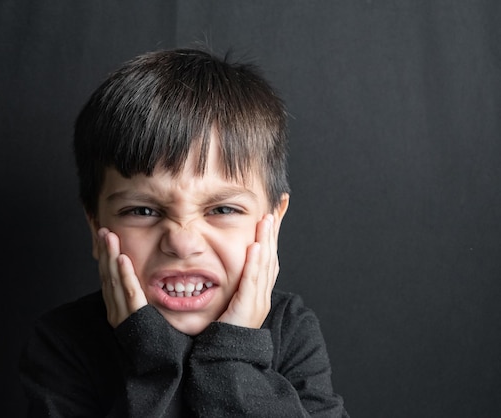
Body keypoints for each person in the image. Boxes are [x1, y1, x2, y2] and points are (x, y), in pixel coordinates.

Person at [20, 48, 348, 417]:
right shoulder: (64, 342)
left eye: (223, 209)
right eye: (143, 211)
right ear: (97, 225)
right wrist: (151, 356)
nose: (182, 241)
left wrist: (232, 357)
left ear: (272, 222)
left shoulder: (291, 330)